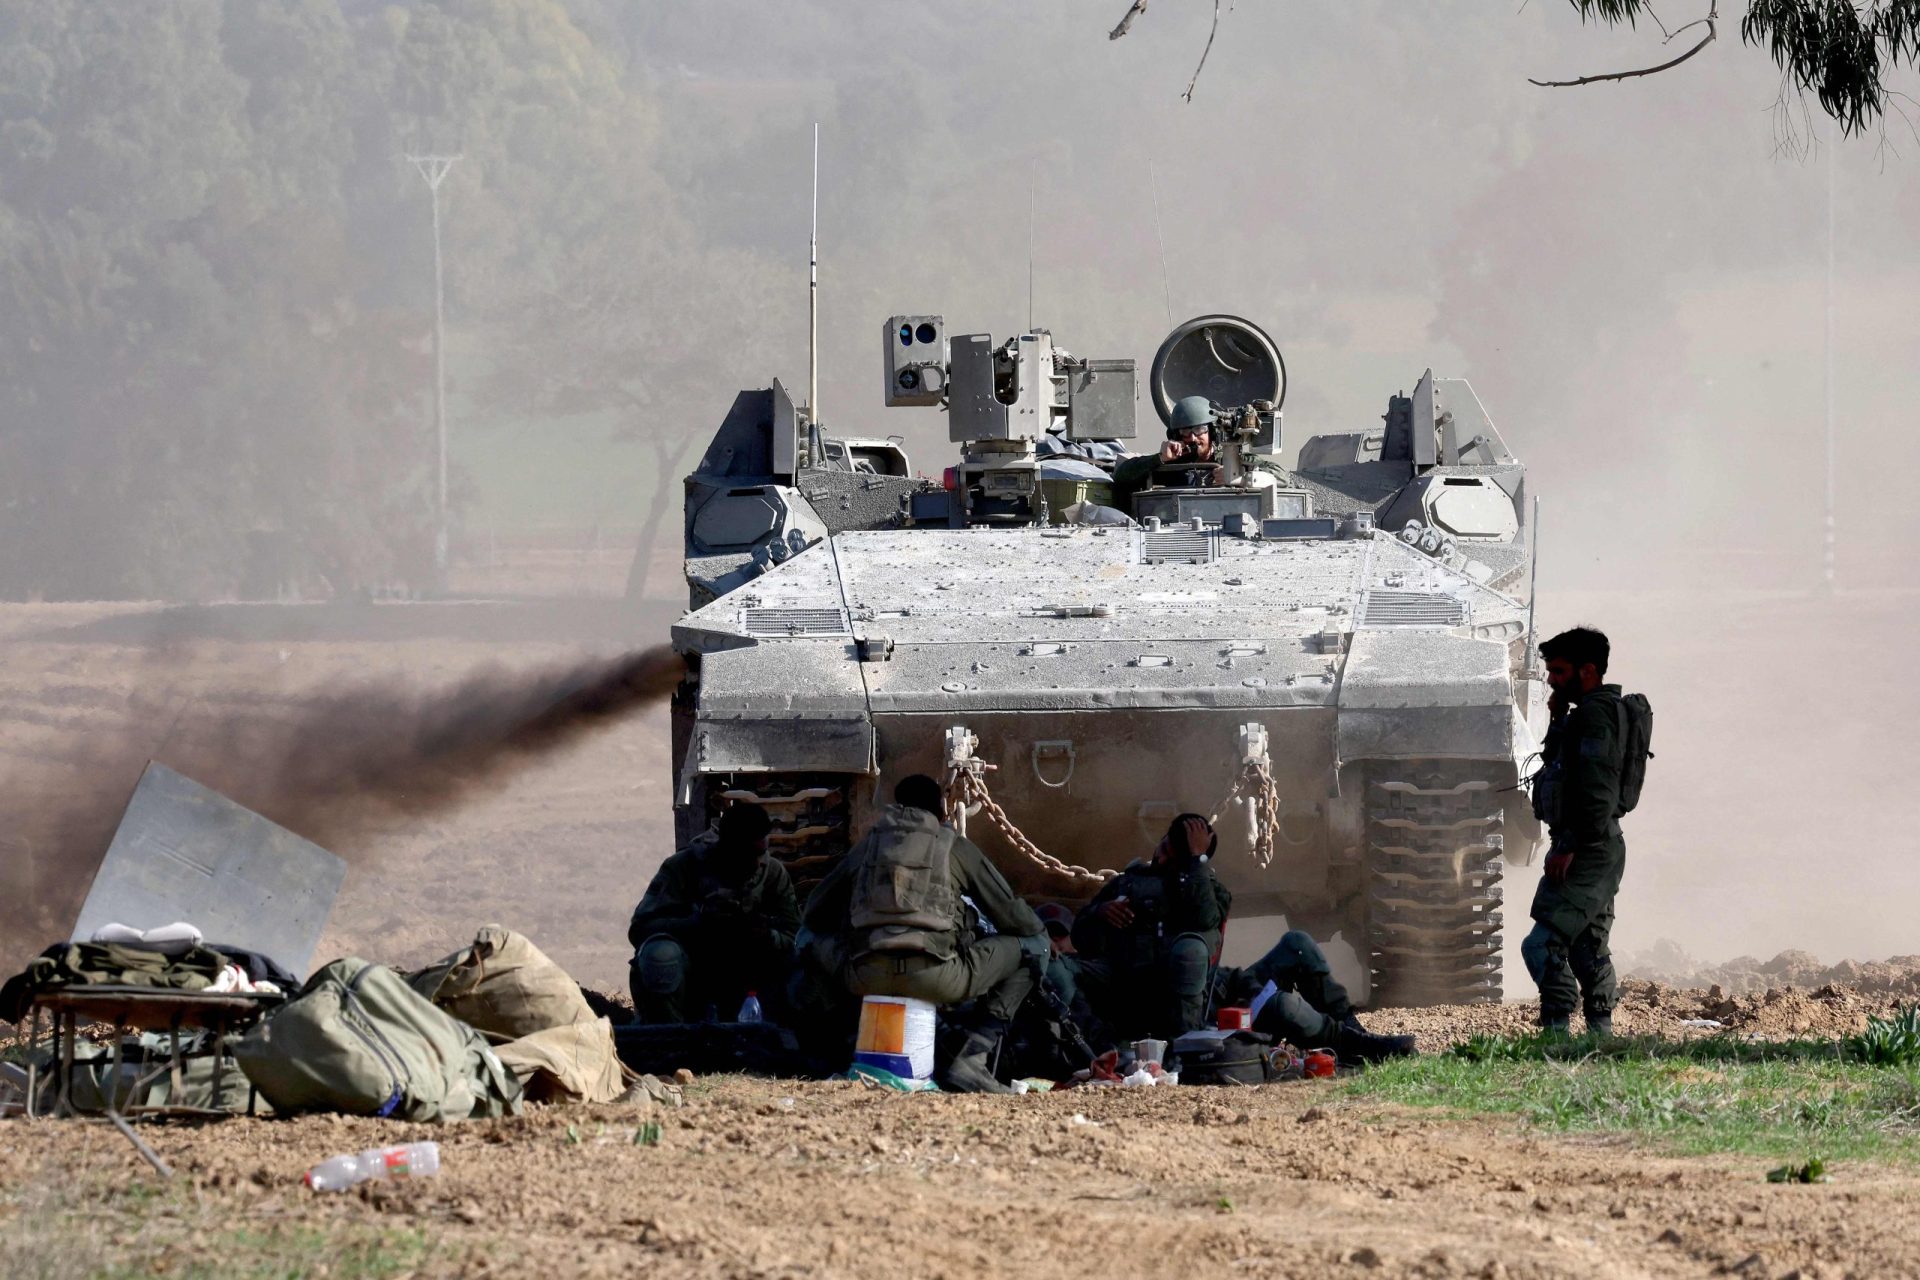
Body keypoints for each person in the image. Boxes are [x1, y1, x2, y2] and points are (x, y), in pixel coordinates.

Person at [803, 774, 1047, 1093]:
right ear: (942, 810)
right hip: (938, 977)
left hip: (864, 977)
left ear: (896, 804)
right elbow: (1016, 919)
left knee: (805, 938)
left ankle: (830, 1048)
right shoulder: (953, 846)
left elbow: (813, 914)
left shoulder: (867, 848)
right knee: (1035, 947)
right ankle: (971, 1060)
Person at [1522, 626, 1628, 1037]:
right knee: (1587, 948)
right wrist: (1556, 718)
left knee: (1540, 945)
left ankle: (1557, 1034)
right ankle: (1600, 1037)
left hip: (1588, 847)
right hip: (1595, 845)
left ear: (1587, 671)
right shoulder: (1583, 714)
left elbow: (1597, 795)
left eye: (1559, 671)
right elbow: (1557, 765)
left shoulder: (1596, 717)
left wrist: (1567, 846)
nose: (1551, 679)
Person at [627, 805, 800, 1024]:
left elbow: (796, 934)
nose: (756, 863)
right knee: (660, 955)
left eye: (761, 853)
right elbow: (640, 929)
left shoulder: (772, 873)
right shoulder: (683, 868)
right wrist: (696, 923)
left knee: (804, 966)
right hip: (694, 972)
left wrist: (765, 935)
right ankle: (669, 1039)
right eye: (746, 854)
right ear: (727, 847)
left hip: (750, 980)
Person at [1068, 814, 1231, 1038]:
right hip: (1122, 981)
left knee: (1190, 951)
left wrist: (1197, 860)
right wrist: (1100, 912)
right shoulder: (1128, 882)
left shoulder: (1208, 892)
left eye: (1171, 857)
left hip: (1171, 993)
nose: (1160, 859)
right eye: (1163, 847)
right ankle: (1089, 1046)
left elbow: (1204, 919)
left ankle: (1184, 1051)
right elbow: (1080, 938)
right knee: (1060, 969)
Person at [1220, 930, 1416, 1064]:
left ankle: (1352, 1028)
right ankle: (1358, 1046)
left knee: (1296, 944)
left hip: (1222, 992)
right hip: (1214, 1024)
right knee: (1285, 1007)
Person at [1109, 396, 1287, 511]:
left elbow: (1283, 477)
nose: (1193, 438)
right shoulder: (1171, 463)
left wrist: (1240, 477)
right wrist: (1160, 458)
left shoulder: (1237, 460)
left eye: (1199, 429)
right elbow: (1122, 476)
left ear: (1212, 432)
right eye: (1185, 432)